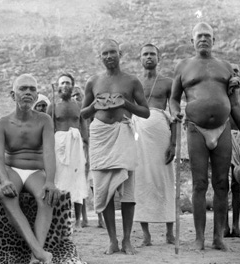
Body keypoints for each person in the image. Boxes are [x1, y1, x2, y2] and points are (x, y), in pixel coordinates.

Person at [170, 22, 240, 251]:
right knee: (199, 183)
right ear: (192, 41)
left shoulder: (226, 67)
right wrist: (175, 113)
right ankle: (199, 237)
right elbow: (173, 99)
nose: (203, 39)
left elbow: (235, 104)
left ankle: (218, 237)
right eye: (199, 36)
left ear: (214, 40)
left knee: (222, 184)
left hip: (223, 129)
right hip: (195, 128)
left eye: (207, 36)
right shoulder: (183, 67)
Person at [81, 39, 150, 255]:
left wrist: (125, 104)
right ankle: (112, 240)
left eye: (112, 52)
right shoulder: (93, 82)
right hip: (101, 136)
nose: (109, 56)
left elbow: (146, 112)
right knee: (104, 190)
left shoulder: (132, 81)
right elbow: (83, 114)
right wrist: (96, 104)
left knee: (127, 190)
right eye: (105, 53)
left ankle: (127, 239)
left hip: (123, 134)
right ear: (100, 57)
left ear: (120, 53)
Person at [0, 73, 60, 264]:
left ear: (37, 95)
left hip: (35, 171)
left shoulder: (45, 120)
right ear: (13, 95)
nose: (28, 92)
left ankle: (34, 256)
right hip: (11, 169)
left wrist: (50, 181)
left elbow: (49, 153)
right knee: (5, 193)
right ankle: (40, 252)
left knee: (47, 198)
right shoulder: (1, 124)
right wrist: (4, 180)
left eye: (32, 89)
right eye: (23, 88)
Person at [133, 43, 176, 246]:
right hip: (139, 138)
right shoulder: (134, 84)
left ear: (159, 58)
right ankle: (146, 235)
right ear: (140, 58)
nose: (149, 57)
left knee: (165, 180)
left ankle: (169, 232)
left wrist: (174, 144)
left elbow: (175, 115)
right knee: (141, 182)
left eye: (152, 54)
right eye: (145, 54)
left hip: (161, 138)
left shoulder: (168, 82)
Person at [47, 73, 88, 230]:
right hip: (59, 145)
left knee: (77, 180)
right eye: (62, 83)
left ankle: (77, 220)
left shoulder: (79, 105)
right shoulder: (53, 106)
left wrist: (86, 144)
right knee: (59, 180)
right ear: (58, 87)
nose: (65, 86)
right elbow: (49, 129)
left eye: (68, 83)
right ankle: (59, 218)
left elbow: (83, 124)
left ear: (73, 86)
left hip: (76, 145)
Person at [71, 85, 106, 229]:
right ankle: (82, 218)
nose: (76, 97)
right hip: (75, 147)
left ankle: (100, 217)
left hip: (91, 146)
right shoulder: (71, 111)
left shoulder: (87, 110)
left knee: (95, 183)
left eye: (78, 95)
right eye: (73, 95)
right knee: (79, 183)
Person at [224, 64, 240, 238]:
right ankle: (224, 226)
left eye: (236, 72)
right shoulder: (220, 93)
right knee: (221, 184)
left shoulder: (239, 93)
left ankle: (236, 225)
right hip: (223, 137)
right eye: (231, 72)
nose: (234, 75)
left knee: (237, 185)